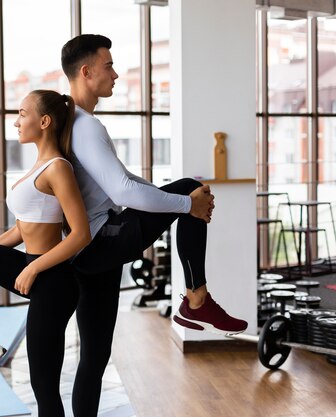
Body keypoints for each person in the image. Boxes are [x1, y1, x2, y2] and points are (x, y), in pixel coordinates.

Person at [61, 34, 248, 416]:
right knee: (192, 187)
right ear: (86, 71)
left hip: (87, 251)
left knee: (94, 357)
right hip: (103, 240)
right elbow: (124, 191)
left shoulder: (74, 123)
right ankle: (196, 299)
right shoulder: (85, 127)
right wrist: (186, 203)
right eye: (109, 65)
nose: (116, 73)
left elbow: (124, 180)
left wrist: (181, 203)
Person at [0, 90, 91, 417]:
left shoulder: (58, 168)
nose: (16, 121)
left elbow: (81, 234)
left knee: (43, 385)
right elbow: (20, 231)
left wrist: (34, 267)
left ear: (44, 121)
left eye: (23, 114)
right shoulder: (38, 167)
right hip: (35, 269)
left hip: (54, 281)